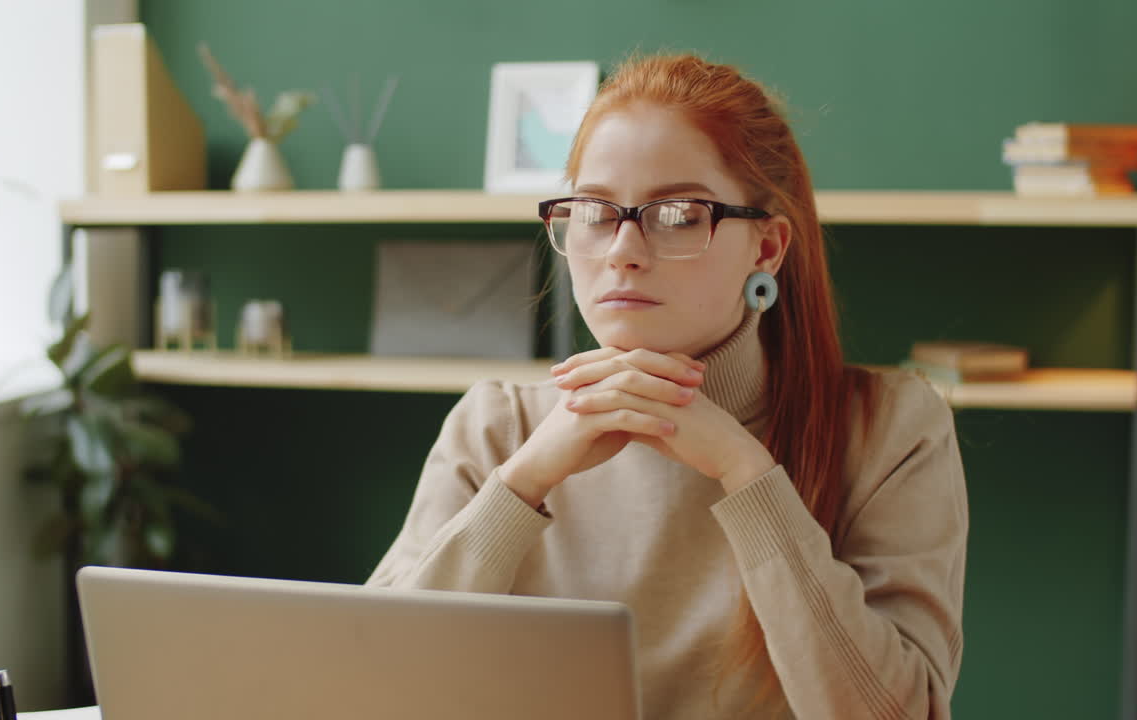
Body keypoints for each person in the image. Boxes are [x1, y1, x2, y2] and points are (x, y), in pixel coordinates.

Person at [367, 50, 968, 720]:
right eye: (595, 210)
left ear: (766, 249)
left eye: (679, 213)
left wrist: (744, 470)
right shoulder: (497, 423)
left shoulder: (892, 428)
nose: (622, 250)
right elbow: (371, 687)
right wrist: (523, 482)